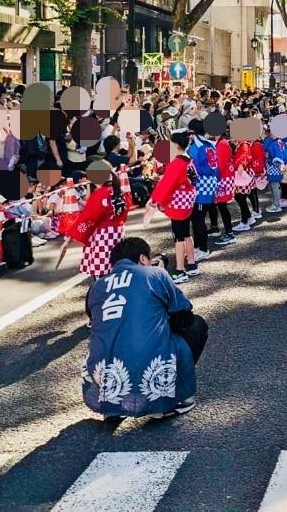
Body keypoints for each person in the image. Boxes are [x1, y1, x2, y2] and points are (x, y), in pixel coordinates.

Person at [83, 236, 207, 421]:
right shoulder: (154, 274)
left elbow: (95, 322)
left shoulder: (96, 287)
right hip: (148, 367)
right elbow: (185, 316)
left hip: (104, 376)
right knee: (197, 325)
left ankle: (113, 404)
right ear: (142, 259)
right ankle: (170, 400)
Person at [147, 131, 203, 283]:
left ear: (176, 145)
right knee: (186, 233)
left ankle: (180, 269)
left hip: (179, 202)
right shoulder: (188, 160)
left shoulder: (177, 163)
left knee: (178, 236)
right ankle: (191, 264)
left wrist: (155, 200)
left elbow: (167, 184)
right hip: (188, 200)